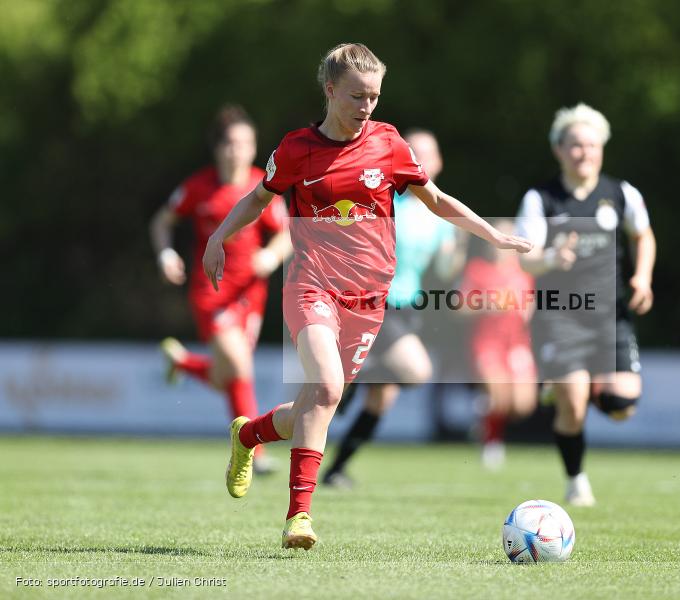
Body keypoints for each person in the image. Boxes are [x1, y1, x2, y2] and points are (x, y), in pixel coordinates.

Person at [201, 43, 532, 550]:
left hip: (369, 299)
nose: (367, 107)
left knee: (316, 402)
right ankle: (299, 518)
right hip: (311, 285)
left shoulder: (389, 144)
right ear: (330, 90)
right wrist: (217, 236)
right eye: (357, 96)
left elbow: (438, 201)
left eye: (375, 97)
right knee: (329, 387)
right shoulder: (295, 150)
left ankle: (249, 435)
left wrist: (494, 236)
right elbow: (257, 198)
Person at [515, 103, 656, 507]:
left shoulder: (621, 193)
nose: (584, 153)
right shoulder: (540, 199)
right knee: (574, 405)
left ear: (602, 149)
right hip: (559, 314)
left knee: (620, 405)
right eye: (575, 145)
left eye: (592, 146)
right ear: (559, 150)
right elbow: (526, 257)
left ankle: (570, 384)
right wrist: (550, 259)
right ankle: (576, 481)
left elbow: (643, 237)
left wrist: (642, 277)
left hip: (611, 315)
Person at [321, 128, 465, 489]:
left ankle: (336, 469)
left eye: (429, 154)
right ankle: (352, 377)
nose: (422, 160)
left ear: (440, 162)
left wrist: (458, 251)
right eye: (415, 153)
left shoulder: (440, 216)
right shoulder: (387, 202)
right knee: (416, 370)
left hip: (406, 309)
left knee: (381, 398)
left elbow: (445, 271)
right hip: (374, 301)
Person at [149, 105, 291, 470]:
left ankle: (182, 363)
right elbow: (161, 222)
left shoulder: (264, 186)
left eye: (245, 142)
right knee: (240, 366)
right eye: (230, 143)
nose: (237, 150)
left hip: (251, 295)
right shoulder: (199, 187)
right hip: (210, 291)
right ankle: (254, 452)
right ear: (218, 148)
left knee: (227, 376)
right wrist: (165, 254)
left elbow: (288, 233)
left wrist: (271, 258)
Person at [459, 219, 537, 470]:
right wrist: (483, 304)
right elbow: (458, 308)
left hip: (516, 343)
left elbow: (530, 305)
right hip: (487, 342)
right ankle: (491, 441)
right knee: (497, 393)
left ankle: (484, 414)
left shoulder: (524, 272)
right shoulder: (477, 269)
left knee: (523, 405)